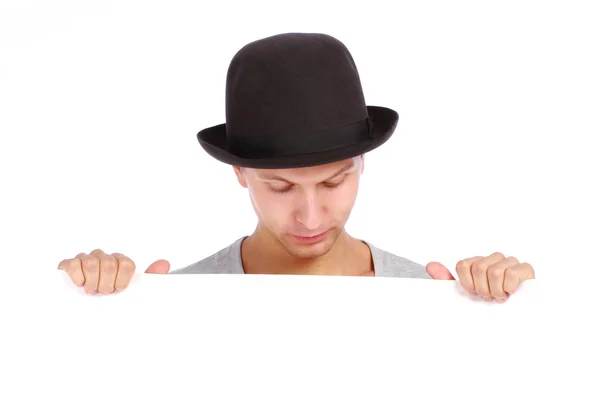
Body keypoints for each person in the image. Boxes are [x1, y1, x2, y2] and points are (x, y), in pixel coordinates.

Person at [57, 32, 535, 302]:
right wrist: (91, 308)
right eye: (281, 187)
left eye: (334, 180)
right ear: (239, 174)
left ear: (362, 163)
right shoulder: (179, 301)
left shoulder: (433, 297)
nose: (311, 216)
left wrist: (510, 319)